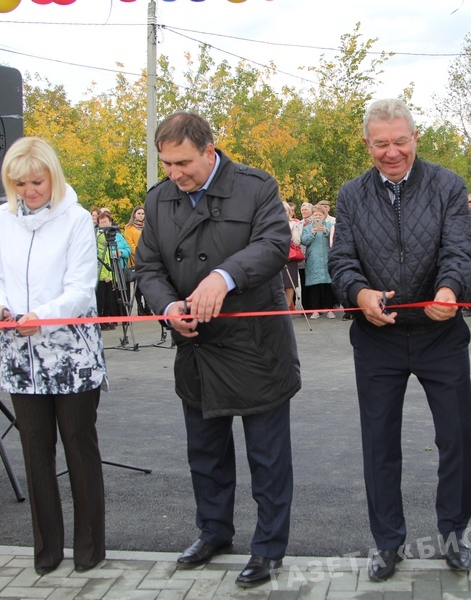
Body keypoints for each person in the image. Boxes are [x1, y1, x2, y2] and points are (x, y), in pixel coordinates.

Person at [135, 112, 300, 588]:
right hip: (197, 347)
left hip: (255, 347)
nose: (174, 174)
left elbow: (274, 243)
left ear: (210, 151)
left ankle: (268, 548)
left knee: (267, 458)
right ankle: (213, 532)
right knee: (205, 454)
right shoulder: (160, 199)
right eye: (166, 164)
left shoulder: (256, 187)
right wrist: (168, 306)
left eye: (182, 162)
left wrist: (222, 277)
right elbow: (146, 267)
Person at [328, 98, 471, 581]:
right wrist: (359, 292)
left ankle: (454, 534)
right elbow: (341, 260)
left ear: (415, 138)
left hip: (441, 333)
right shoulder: (350, 195)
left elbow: (461, 248)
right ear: (367, 143)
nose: (391, 152)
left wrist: (450, 289)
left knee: (457, 436)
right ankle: (388, 543)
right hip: (377, 337)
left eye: (399, 141)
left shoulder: (448, 185)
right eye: (380, 144)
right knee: (379, 443)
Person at [0, 137, 108, 575]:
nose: (29, 191)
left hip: (71, 353)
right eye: (19, 183)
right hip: (20, 356)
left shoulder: (75, 219)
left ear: (52, 176)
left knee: (79, 451)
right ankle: (46, 552)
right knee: (36, 455)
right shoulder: (3, 217)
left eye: (36, 181)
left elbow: (80, 287)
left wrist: (44, 315)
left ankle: (90, 551)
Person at [95, 211, 132, 330]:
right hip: (106, 271)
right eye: (102, 223)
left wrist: (121, 253)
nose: (105, 225)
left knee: (122, 293)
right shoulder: (98, 237)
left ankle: (125, 317)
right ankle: (108, 319)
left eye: (106, 222)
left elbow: (128, 249)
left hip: (119, 267)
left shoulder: (118, 235)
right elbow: (100, 253)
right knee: (107, 298)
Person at [301, 205, 336, 318]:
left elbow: (335, 240)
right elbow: (304, 241)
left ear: (324, 215)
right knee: (314, 285)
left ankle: (330, 310)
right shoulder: (307, 228)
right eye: (315, 215)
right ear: (312, 216)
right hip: (314, 260)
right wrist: (313, 233)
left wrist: (326, 231)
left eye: (320, 215)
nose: (318, 217)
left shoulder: (331, 226)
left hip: (327, 259)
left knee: (328, 284)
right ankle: (315, 310)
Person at [124, 205, 149, 315]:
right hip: (136, 258)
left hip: (148, 258)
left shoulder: (148, 226)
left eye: (142, 213)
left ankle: (148, 306)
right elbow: (130, 244)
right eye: (139, 213)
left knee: (148, 283)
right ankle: (140, 306)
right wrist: (140, 253)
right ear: (134, 214)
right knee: (138, 285)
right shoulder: (129, 228)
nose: (141, 216)